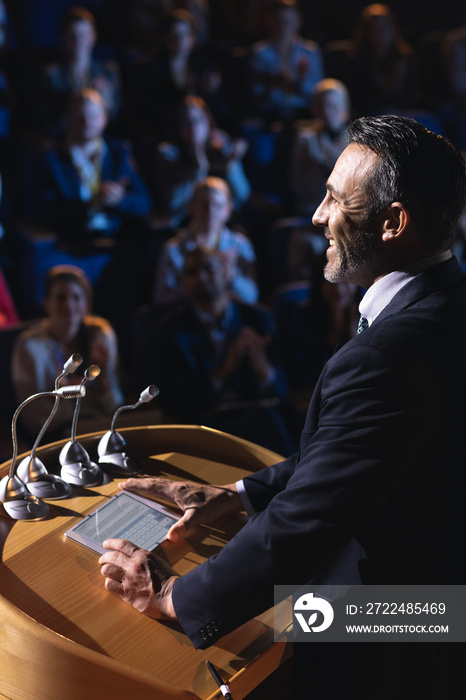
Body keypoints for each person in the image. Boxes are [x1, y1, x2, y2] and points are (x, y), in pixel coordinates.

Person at [99, 115, 466, 697]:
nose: (318, 216)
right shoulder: (446, 306)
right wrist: (237, 497)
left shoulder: (391, 352)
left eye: (334, 200)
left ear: (394, 224)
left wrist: (174, 598)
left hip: (396, 634)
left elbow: (306, 525)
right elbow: (360, 454)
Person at [148, 245, 295, 455]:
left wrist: (263, 369)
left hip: (257, 415)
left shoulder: (258, 319)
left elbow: (283, 389)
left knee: (271, 420)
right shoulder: (168, 330)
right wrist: (224, 368)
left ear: (225, 272)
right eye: (192, 272)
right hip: (204, 423)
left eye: (208, 268)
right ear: (183, 281)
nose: (201, 277)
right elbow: (176, 399)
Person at [12, 264, 123, 441]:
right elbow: (32, 421)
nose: (69, 305)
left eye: (76, 297)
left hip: (99, 431)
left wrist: (102, 381)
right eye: (61, 298)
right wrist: (57, 396)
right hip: (53, 437)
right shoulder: (29, 346)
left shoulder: (101, 335)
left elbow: (115, 405)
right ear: (46, 304)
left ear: (86, 305)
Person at [37, 87, 152, 242]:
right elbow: (44, 212)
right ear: (69, 118)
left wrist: (120, 200)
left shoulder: (119, 154)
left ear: (104, 119)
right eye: (80, 116)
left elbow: (144, 202)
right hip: (72, 241)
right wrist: (89, 205)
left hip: (115, 238)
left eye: (93, 116)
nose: (87, 122)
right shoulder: (52, 160)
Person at [153, 176, 258, 304]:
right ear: (191, 207)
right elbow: (161, 300)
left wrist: (231, 276)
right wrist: (193, 285)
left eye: (218, 206)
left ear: (228, 210)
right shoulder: (174, 250)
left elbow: (252, 297)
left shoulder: (239, 245)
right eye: (204, 205)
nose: (210, 212)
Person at [151, 95, 250, 227]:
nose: (193, 127)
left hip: (223, 222)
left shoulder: (220, 147)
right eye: (186, 122)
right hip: (186, 224)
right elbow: (172, 202)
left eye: (198, 120)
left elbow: (243, 195)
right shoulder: (168, 154)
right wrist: (198, 165)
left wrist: (231, 166)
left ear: (208, 122)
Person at [37, 6, 122, 141]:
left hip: (102, 143)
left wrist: (105, 102)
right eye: (72, 35)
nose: (78, 41)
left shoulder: (107, 72)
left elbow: (117, 117)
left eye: (84, 35)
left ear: (93, 36)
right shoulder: (51, 75)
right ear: (63, 37)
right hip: (63, 143)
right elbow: (46, 122)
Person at [249, 0, 324, 123]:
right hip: (270, 116)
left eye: (288, 22)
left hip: (305, 114)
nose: (283, 27)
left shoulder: (310, 51)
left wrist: (301, 81)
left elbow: (318, 93)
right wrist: (273, 83)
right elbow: (255, 97)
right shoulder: (259, 53)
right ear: (269, 21)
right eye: (278, 22)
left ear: (298, 21)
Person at [289, 78, 351, 217]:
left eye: (332, 106)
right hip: (315, 211)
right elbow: (297, 183)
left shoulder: (357, 142)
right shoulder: (306, 140)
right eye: (322, 107)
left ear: (345, 109)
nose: (327, 112)